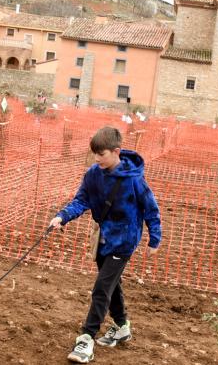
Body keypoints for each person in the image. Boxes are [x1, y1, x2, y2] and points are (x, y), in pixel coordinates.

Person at [48, 126, 161, 364]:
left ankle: (86, 338)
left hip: (124, 240)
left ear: (116, 151)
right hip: (102, 238)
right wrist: (62, 216)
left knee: (102, 287)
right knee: (111, 284)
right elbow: (82, 200)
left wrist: (155, 238)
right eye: (95, 154)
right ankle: (122, 326)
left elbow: (150, 208)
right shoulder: (93, 174)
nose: (97, 159)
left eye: (102, 154)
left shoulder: (135, 179)